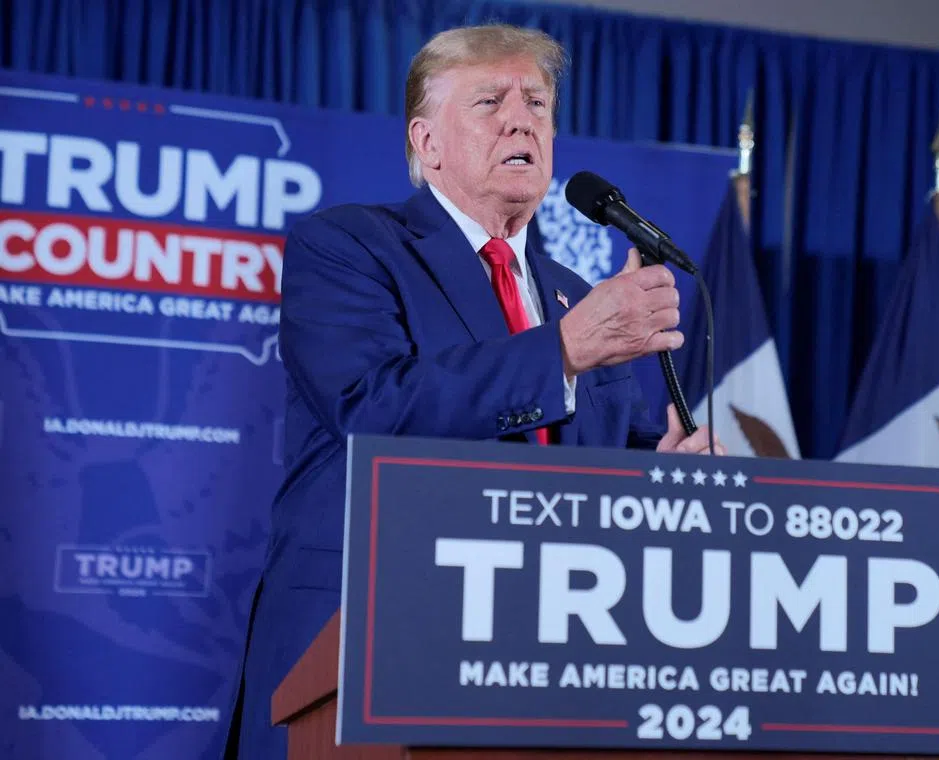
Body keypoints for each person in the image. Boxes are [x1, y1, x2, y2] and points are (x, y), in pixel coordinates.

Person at [222, 22, 721, 759]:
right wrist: (566, 349)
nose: (523, 118)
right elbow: (373, 410)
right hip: (366, 632)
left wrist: (663, 479)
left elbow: (605, 466)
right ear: (427, 144)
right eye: (491, 101)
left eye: (539, 104)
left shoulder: (573, 296)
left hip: (545, 653)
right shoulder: (348, 247)